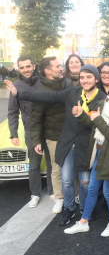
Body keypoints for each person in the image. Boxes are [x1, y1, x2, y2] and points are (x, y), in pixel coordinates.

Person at [5, 64, 106, 226]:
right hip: (67, 143)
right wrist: (19, 94)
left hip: (87, 146)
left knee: (85, 182)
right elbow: (47, 97)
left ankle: (86, 209)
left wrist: (81, 115)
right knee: (66, 180)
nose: (85, 80)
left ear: (96, 78)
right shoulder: (72, 92)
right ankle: (69, 208)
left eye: (89, 77)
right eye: (82, 77)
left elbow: (99, 126)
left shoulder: (102, 98)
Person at [64, 75, 109, 237]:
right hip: (98, 152)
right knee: (91, 189)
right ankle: (84, 222)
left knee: (108, 192)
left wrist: (97, 119)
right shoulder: (104, 105)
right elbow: (94, 123)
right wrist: (81, 115)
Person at [7, 55, 52, 208]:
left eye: (28, 66)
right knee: (34, 164)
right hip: (31, 130)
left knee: (52, 161)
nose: (25, 70)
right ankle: (35, 194)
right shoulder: (16, 86)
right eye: (22, 67)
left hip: (48, 127)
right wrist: (13, 134)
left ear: (33, 66)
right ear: (18, 69)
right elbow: (12, 112)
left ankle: (53, 192)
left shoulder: (45, 80)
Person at [31, 56, 72, 214]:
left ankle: (73, 195)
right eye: (57, 66)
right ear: (48, 71)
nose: (61, 68)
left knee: (73, 167)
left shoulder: (67, 84)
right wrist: (36, 140)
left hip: (72, 134)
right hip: (54, 136)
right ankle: (59, 197)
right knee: (57, 168)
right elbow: (35, 120)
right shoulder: (41, 92)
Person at [63, 54, 85, 204]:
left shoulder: (87, 81)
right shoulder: (64, 83)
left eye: (77, 62)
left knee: (84, 173)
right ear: (67, 65)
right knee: (68, 175)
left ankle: (82, 200)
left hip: (84, 131)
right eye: (71, 62)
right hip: (69, 129)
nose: (75, 64)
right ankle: (70, 204)